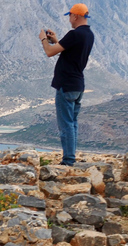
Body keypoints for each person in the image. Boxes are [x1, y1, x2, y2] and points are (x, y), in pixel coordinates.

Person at [39, 3, 94, 166]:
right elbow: (69, 51)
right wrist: (55, 40)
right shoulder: (89, 34)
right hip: (78, 84)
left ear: (75, 16)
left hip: (66, 84)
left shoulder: (74, 34)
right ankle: (71, 157)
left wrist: (43, 39)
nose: (69, 19)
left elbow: (50, 52)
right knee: (73, 123)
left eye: (70, 16)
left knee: (65, 125)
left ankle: (68, 160)